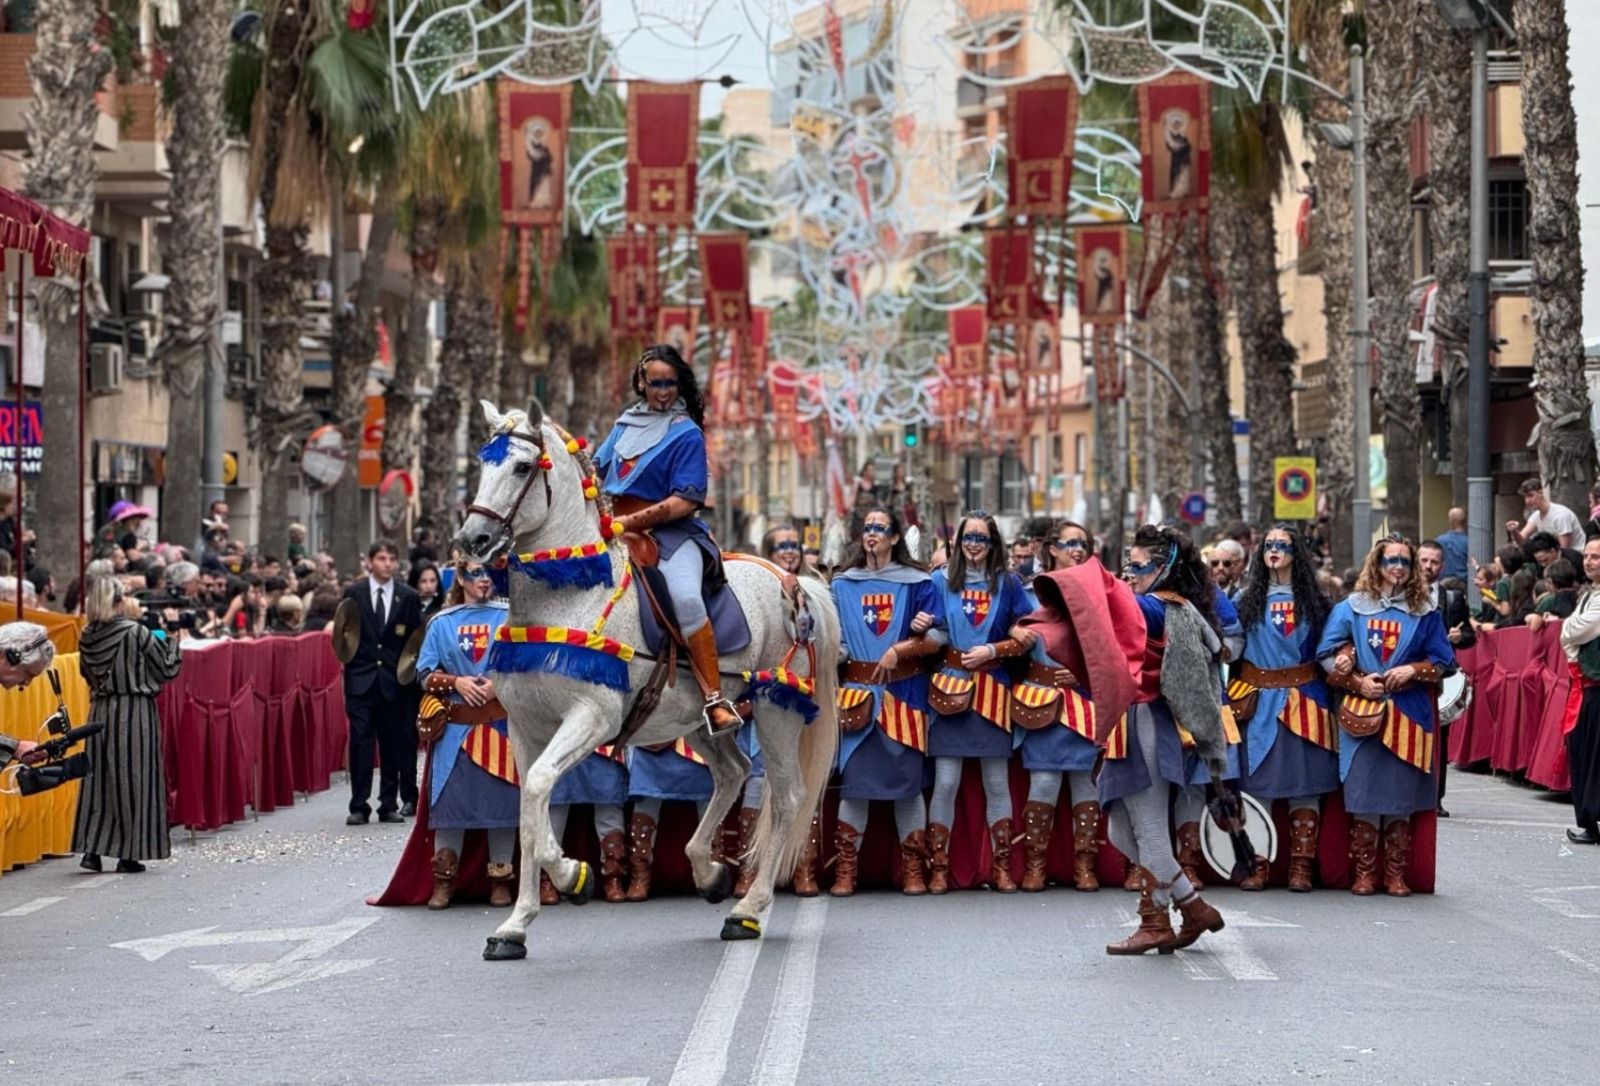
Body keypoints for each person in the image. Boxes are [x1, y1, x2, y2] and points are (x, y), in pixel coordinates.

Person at [593, 344, 739, 732]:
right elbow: (595, 471)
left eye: (670, 384)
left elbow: (684, 501)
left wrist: (630, 522)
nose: (662, 392)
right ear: (641, 382)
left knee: (687, 599)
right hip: (615, 531)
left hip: (672, 535)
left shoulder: (687, 433)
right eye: (655, 383)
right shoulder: (624, 425)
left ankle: (714, 698)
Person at [1099, 525, 1227, 954]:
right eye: (1127, 565)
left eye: (1137, 566)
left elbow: (1111, 607)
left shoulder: (1157, 607)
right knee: (1121, 829)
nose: (1129, 573)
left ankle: (1159, 920)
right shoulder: (1167, 605)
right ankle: (1191, 907)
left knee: (1149, 828)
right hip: (1133, 721)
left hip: (1149, 722)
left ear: (1163, 569)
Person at [1317, 536, 1455, 897]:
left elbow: (1444, 660)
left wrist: (1414, 670)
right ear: (1377, 564)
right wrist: (1356, 680)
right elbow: (1325, 654)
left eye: (1405, 562)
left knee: (1401, 795)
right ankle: (1364, 873)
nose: (1398, 567)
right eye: (1391, 560)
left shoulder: (1425, 611)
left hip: (1409, 714)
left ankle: (1395, 875)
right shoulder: (1352, 607)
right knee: (1363, 791)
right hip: (1363, 712)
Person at [829, 507, 946, 895]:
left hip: (905, 696)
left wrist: (907, 646)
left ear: (895, 538)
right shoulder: (841, 584)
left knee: (906, 785)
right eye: (868, 528)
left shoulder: (919, 583)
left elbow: (940, 638)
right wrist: (835, 651)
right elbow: (835, 640)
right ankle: (846, 870)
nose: (872, 533)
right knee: (855, 785)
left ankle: (913, 869)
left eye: (880, 528)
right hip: (858, 697)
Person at [926, 511, 1032, 893]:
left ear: (993, 544)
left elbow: (1027, 633)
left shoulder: (1010, 584)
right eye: (969, 537)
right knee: (946, 781)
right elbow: (935, 632)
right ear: (958, 542)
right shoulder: (939, 581)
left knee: (996, 782)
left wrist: (994, 649)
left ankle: (1002, 867)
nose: (974, 544)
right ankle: (939, 868)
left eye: (982, 538)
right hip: (950, 687)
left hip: (993, 689)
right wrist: (924, 631)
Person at [1231, 525, 1338, 891]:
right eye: (1269, 545)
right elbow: (1231, 648)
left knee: (1305, 785)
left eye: (1283, 545)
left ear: (1297, 554)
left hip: (1305, 701)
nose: (1274, 550)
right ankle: (1258, 865)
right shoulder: (1244, 600)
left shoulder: (1316, 601)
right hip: (1258, 702)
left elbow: (1331, 647)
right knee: (1256, 785)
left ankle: (1301, 867)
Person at [414, 560, 521, 909]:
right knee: (450, 806)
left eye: (488, 572)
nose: (483, 580)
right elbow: (424, 674)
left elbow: (529, 664)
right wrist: (456, 682)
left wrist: (499, 685)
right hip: (456, 731)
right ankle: (443, 881)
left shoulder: (512, 616)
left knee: (503, 804)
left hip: (500, 726)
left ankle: (501, 880)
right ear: (460, 578)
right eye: (475, 573)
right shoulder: (441, 623)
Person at [1014, 519, 1105, 892]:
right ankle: (1035, 864)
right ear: (1052, 549)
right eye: (1070, 543)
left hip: (1084, 700)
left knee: (1085, 781)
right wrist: (1012, 633)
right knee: (1045, 780)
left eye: (1083, 543)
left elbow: (1110, 646)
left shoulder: (1099, 593)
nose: (1078, 550)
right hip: (1041, 700)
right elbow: (1008, 637)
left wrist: (1084, 672)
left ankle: (1085, 864)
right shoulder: (1028, 594)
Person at [71, 576, 182, 873]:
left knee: (99, 780)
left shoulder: (87, 635)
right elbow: (166, 668)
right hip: (134, 711)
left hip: (100, 711)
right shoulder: (135, 632)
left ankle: (92, 850)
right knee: (135, 780)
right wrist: (173, 637)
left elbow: (85, 673)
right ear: (118, 602)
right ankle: (129, 854)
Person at [340, 540, 424, 825]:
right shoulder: (354, 593)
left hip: (393, 680)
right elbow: (344, 631)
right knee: (361, 741)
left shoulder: (408, 596)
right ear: (370, 562)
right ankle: (358, 804)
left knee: (392, 743)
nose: (387, 564)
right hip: (361, 679)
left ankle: (388, 803)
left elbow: (416, 636)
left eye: (391, 559)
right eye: (382, 559)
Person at [1418, 539, 1478, 818]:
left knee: (1440, 739)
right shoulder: (1401, 595)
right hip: (1408, 673)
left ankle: (1435, 798)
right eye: (1424, 560)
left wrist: (1459, 636)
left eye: (1434, 562)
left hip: (1441, 676)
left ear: (1442, 566)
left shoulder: (1452, 598)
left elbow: (1469, 636)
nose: (1428, 566)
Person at [1558, 537, 1600, 845]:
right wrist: (1570, 629)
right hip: (1584, 687)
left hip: (1596, 687)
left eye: (1596, 557)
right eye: (1586, 556)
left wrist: (1568, 628)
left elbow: (1575, 630)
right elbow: (1571, 631)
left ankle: (1593, 818)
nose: (1589, 561)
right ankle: (1589, 821)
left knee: (1595, 757)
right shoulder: (1588, 595)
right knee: (1584, 753)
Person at [1508, 477, 1586, 550]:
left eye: (1531, 495)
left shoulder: (1560, 515)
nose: (1527, 501)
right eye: (1525, 497)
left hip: (1577, 554)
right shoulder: (1536, 516)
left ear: (1541, 493)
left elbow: (1565, 549)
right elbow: (1522, 541)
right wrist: (1514, 530)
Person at [1437, 508, 1470, 582]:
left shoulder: (1439, 540)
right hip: (1463, 582)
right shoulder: (1469, 542)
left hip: (1443, 582)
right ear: (1465, 521)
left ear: (1450, 521)